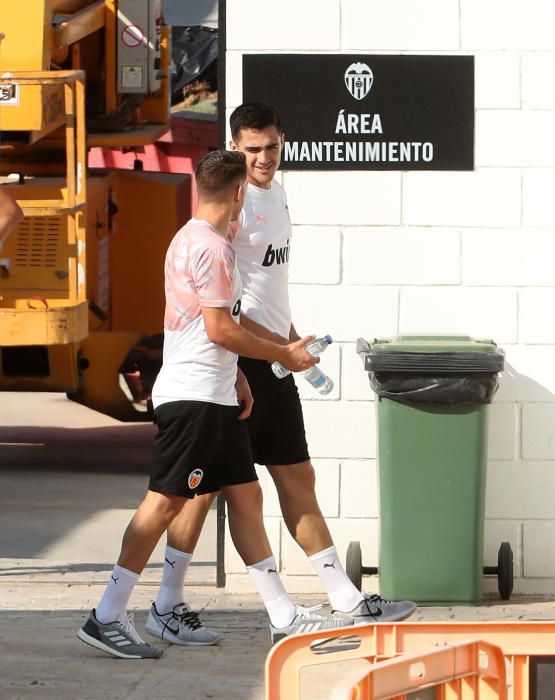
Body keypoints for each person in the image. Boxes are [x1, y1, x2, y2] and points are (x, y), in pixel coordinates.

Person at [154, 103, 416, 644]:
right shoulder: (235, 204)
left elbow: (266, 288)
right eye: (252, 149)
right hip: (241, 361)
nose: (264, 158)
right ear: (234, 147)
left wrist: (290, 339)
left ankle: (344, 597)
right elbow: (223, 307)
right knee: (202, 490)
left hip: (274, 355)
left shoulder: (275, 193)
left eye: (272, 146)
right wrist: (278, 349)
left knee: (297, 476)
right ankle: (167, 601)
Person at [77, 150, 350, 660]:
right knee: (163, 503)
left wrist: (239, 380)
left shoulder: (188, 237)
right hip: (195, 398)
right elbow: (220, 328)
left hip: (215, 391)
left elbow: (206, 329)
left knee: (246, 498)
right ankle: (107, 614)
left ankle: (284, 615)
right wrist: (283, 355)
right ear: (240, 193)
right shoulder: (215, 250)